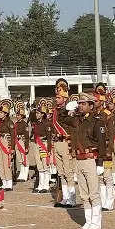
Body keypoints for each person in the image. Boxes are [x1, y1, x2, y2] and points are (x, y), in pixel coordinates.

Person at [70, 92, 108, 229]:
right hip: (79, 159)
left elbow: (102, 144)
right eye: (79, 103)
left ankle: (96, 224)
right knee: (84, 194)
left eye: (83, 103)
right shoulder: (78, 120)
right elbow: (62, 118)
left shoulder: (97, 122)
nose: (80, 106)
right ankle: (88, 222)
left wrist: (100, 162)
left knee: (94, 193)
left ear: (91, 106)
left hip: (91, 159)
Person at [53, 79, 76, 207]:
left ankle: (72, 199)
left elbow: (73, 127)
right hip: (57, 142)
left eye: (59, 97)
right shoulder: (56, 110)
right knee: (61, 173)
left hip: (66, 142)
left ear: (64, 97)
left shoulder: (69, 110)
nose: (56, 99)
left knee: (68, 172)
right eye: (56, 97)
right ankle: (65, 198)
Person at [30, 99, 52, 193]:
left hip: (44, 144)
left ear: (42, 114)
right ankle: (40, 185)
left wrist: (49, 149)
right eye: (36, 113)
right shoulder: (35, 124)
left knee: (45, 164)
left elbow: (49, 137)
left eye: (39, 113)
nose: (37, 114)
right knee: (39, 165)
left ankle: (46, 185)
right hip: (36, 144)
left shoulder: (47, 123)